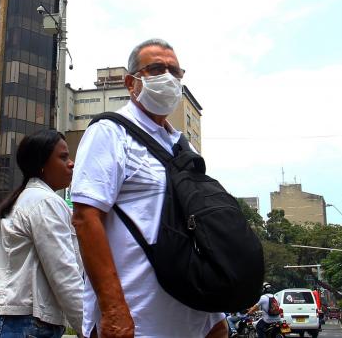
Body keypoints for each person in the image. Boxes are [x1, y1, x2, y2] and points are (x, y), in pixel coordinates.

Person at [71, 39, 227, 338]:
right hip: (137, 319)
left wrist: (213, 315)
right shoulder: (110, 132)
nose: (168, 78)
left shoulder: (182, 145)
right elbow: (85, 218)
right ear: (131, 82)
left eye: (175, 71)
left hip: (193, 313)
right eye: (156, 69)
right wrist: (113, 309)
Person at [0, 129, 84, 338]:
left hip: (11, 321)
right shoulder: (44, 202)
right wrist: (88, 328)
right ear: (42, 164)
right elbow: (63, 272)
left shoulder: (28, 198)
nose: (71, 163)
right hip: (21, 324)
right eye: (63, 157)